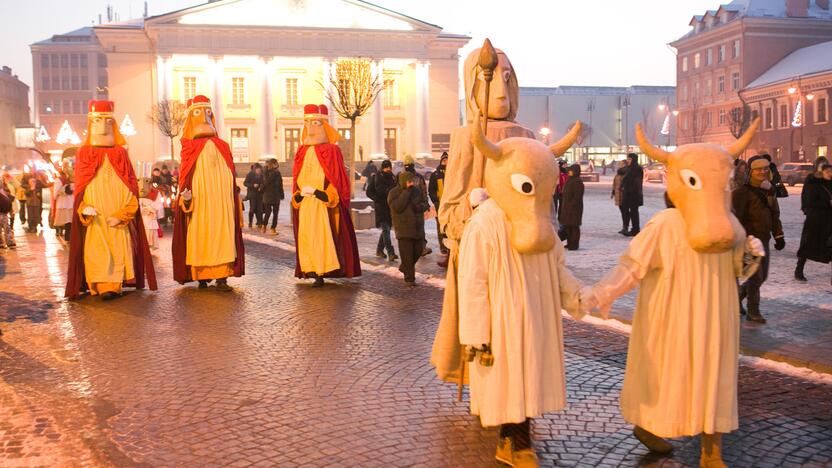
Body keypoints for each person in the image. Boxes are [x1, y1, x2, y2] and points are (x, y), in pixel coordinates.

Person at [584, 121, 764, 468]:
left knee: (714, 377)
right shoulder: (665, 225)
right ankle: (649, 425)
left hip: (715, 317)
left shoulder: (728, 224)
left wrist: (750, 253)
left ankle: (712, 451)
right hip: (671, 317)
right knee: (668, 374)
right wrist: (600, 293)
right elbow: (632, 266)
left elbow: (739, 270)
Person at [460, 112, 583, 467]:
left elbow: (558, 266)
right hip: (502, 319)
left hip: (536, 314)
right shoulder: (486, 223)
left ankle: (513, 441)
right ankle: (516, 443)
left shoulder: (540, 222)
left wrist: (578, 296)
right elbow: (474, 281)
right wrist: (475, 331)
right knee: (510, 381)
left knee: (527, 380)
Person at [431, 43, 535, 390]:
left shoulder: (526, 136)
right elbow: (451, 203)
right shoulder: (466, 136)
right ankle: (480, 381)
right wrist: (468, 213)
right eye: (491, 79)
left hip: (519, 251)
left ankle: (515, 384)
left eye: (509, 79)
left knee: (517, 322)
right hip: (480, 250)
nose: (501, 91)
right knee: (480, 319)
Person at [65, 100, 157, 300]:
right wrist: (84, 208)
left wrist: (123, 214)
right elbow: (80, 189)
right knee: (96, 251)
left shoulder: (120, 153)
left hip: (116, 218)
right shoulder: (85, 154)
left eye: (107, 120)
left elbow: (130, 185)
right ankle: (97, 284)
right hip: (95, 219)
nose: (102, 126)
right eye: (97, 120)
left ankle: (113, 286)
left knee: (116, 250)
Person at [172, 95, 245, 291]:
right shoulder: (188, 148)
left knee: (222, 235)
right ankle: (202, 276)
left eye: (207, 112)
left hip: (222, 205)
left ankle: (222, 276)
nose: (204, 118)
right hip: (201, 204)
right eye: (198, 113)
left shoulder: (223, 146)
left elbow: (231, 175)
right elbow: (185, 176)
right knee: (201, 235)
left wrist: (234, 197)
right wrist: (186, 199)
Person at [291, 104, 361, 286]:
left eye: (315, 123)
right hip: (306, 204)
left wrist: (323, 194)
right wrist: (298, 196)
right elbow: (298, 177)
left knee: (322, 237)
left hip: (322, 205)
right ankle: (312, 268)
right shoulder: (302, 151)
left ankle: (323, 269)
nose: (310, 128)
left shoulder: (331, 151)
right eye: (307, 123)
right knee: (308, 238)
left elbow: (337, 179)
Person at [733, 154, 785, 324]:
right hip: (749, 241)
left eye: (765, 168)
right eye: (758, 169)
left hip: (764, 239)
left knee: (763, 277)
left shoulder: (769, 190)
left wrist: (779, 235)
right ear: (751, 171)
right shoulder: (742, 192)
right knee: (755, 277)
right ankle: (753, 311)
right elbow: (736, 218)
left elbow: (774, 215)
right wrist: (744, 238)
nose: (762, 172)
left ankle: (737, 297)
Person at [388, 171, 428, 284]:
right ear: (403, 181)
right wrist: (406, 192)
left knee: (418, 251)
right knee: (407, 255)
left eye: (412, 181)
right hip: (403, 228)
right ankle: (409, 278)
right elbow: (397, 207)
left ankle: (405, 267)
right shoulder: (394, 192)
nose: (411, 183)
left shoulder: (417, 191)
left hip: (417, 227)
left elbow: (425, 203)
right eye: (409, 181)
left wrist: (420, 207)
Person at [795, 161, 832, 283]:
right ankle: (799, 270)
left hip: (829, 220)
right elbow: (810, 200)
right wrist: (827, 203)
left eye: (831, 171)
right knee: (807, 245)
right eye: (827, 171)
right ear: (821, 172)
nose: (830, 174)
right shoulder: (814, 183)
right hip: (815, 220)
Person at [366, 159, 398, 261]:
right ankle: (391, 252)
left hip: (390, 207)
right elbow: (369, 192)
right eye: (386, 167)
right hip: (381, 207)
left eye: (389, 167)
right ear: (382, 167)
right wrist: (377, 199)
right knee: (386, 230)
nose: (388, 169)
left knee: (386, 230)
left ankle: (379, 250)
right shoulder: (376, 177)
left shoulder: (393, 177)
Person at [402, 155, 432, 256]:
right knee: (410, 229)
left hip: (417, 206)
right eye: (406, 165)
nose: (407, 167)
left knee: (420, 228)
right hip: (407, 207)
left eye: (408, 165)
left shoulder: (418, 177)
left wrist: (425, 203)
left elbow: (423, 190)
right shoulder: (402, 177)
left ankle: (421, 248)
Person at [428, 152, 449, 262]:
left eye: (447, 160)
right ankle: (443, 246)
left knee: (449, 226)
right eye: (444, 160)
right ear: (441, 161)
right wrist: (436, 202)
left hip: (450, 205)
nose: (446, 162)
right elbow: (431, 190)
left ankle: (449, 245)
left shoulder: (452, 174)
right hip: (440, 204)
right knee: (440, 226)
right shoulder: (435, 175)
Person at [558, 163, 584, 250]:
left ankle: (574, 244)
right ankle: (569, 243)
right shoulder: (570, 180)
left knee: (574, 227)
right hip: (567, 207)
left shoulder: (578, 181)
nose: (569, 172)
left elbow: (577, 197)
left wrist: (572, 206)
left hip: (574, 208)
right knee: (568, 226)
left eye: (571, 170)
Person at [620, 152, 644, 236]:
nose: (628, 160)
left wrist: (629, 189)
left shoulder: (637, 169)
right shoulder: (630, 168)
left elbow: (636, 183)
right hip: (628, 194)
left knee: (634, 212)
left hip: (634, 194)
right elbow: (620, 171)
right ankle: (628, 228)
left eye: (629, 159)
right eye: (627, 159)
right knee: (627, 211)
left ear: (634, 159)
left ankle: (635, 229)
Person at [139, 178, 164, 250]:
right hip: (142, 215)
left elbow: (158, 203)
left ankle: (148, 246)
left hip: (150, 215)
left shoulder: (156, 192)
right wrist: (141, 209)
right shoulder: (139, 191)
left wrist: (150, 208)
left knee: (150, 231)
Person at [52, 160, 75, 241]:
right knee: (68, 223)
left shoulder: (75, 179)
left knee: (71, 224)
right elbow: (55, 194)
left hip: (72, 204)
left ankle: (69, 239)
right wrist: (65, 190)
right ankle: (67, 239)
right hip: (65, 204)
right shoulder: (59, 180)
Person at [261, 158, 284, 235]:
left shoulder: (278, 173)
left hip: (276, 195)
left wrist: (282, 194)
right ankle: (264, 225)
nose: (277, 164)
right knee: (268, 212)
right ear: (272, 164)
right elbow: (265, 182)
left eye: (277, 163)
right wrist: (273, 172)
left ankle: (273, 228)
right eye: (275, 163)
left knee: (276, 213)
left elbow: (280, 185)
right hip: (268, 195)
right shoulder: (266, 172)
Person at [243, 163, 264, 229]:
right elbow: (245, 183)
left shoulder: (262, 175)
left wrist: (261, 187)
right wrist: (252, 185)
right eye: (258, 170)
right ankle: (250, 222)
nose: (259, 171)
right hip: (252, 195)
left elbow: (263, 182)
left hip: (260, 195)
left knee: (260, 209)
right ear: (255, 169)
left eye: (260, 170)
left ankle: (260, 222)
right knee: (252, 209)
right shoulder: (250, 174)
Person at [612, 160, 628, 234]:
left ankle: (625, 227)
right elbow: (614, 183)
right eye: (620, 164)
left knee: (625, 212)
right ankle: (624, 227)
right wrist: (613, 192)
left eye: (622, 164)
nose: (620, 165)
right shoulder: (618, 173)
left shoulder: (626, 173)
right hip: (618, 195)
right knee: (622, 212)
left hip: (624, 195)